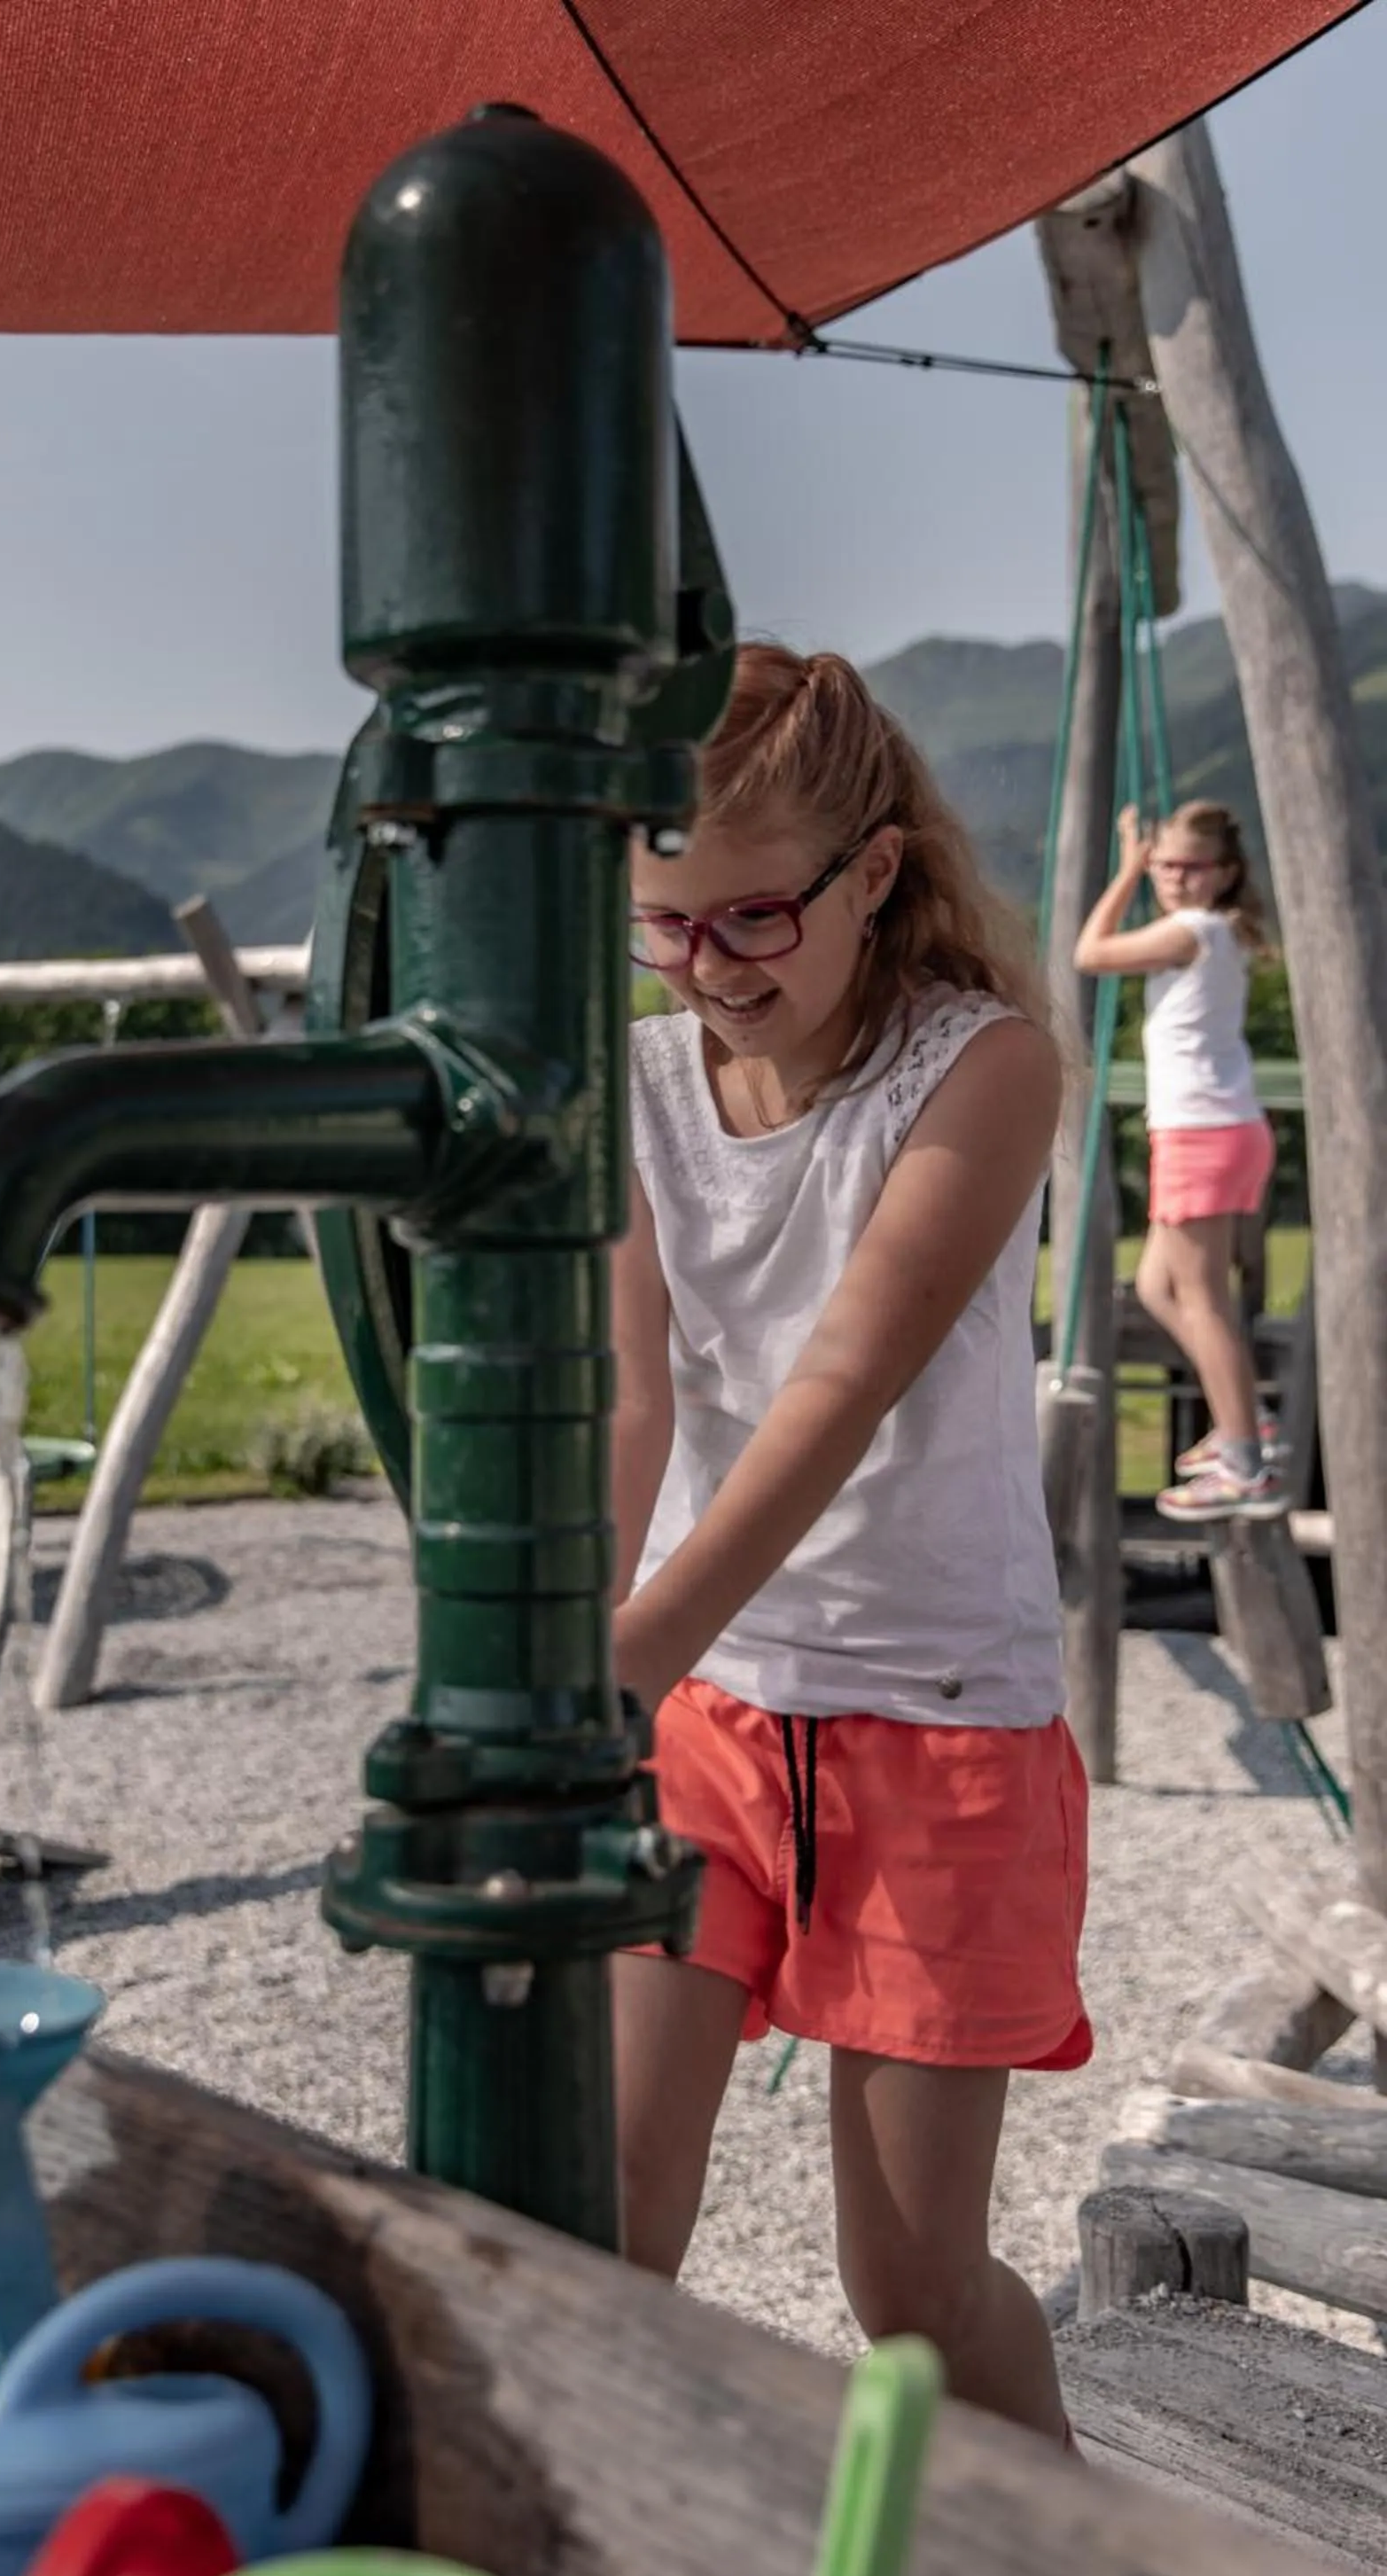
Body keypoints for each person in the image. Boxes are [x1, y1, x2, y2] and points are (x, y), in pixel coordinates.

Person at [611, 642, 1089, 2450]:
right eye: (662, 928)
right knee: (608, 2222)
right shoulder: (648, 1087)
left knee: (912, 2301)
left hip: (937, 1716)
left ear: (872, 872)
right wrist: (596, 1651)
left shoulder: (983, 1071)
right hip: (709, 1712)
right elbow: (631, 1399)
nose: (705, 971)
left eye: (746, 923)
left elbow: (835, 1397)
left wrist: (629, 1647)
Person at [1074, 800, 1283, 1521]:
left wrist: (1128, 869)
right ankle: (1245, 1422)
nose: (1176, 878)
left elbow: (1090, 953)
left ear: (1223, 874)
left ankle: (1242, 1459)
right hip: (1211, 1129)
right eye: (1167, 865)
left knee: (1202, 1302)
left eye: (1192, 868)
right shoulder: (1218, 930)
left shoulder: (1193, 929)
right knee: (1161, 1287)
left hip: (1201, 1132)